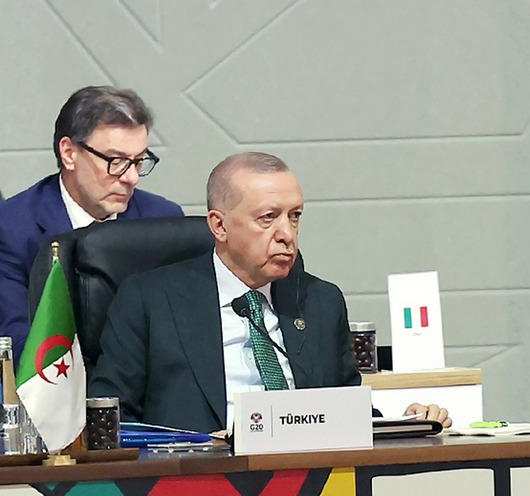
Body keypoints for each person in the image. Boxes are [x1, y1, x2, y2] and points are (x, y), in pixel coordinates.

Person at [89, 152, 451, 432]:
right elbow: (111, 421)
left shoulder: (320, 302)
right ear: (219, 226)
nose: (287, 234)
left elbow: (347, 411)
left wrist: (407, 424)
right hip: (192, 484)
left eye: (294, 216)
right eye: (268, 218)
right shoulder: (150, 301)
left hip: (310, 482)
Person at [0, 86, 182, 366]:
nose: (132, 178)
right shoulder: (12, 227)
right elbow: (18, 343)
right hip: (55, 382)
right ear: (69, 153)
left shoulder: (163, 220)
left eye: (139, 161)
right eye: (116, 161)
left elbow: (180, 331)